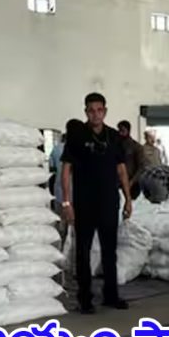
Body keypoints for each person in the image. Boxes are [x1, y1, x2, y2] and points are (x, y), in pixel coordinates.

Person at [60, 92, 133, 314]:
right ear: (86, 112)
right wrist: (66, 203)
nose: (95, 114)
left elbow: (121, 170)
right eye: (91, 110)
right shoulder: (77, 136)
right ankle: (85, 299)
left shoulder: (114, 137)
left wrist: (128, 199)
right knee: (83, 251)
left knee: (110, 251)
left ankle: (111, 295)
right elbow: (66, 170)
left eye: (99, 110)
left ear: (105, 111)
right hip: (84, 203)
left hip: (109, 202)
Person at [117, 120, 147, 201]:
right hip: (117, 182)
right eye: (119, 130)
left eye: (122, 131)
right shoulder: (115, 146)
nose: (120, 133)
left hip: (132, 183)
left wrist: (132, 181)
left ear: (128, 131)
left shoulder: (136, 147)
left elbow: (141, 167)